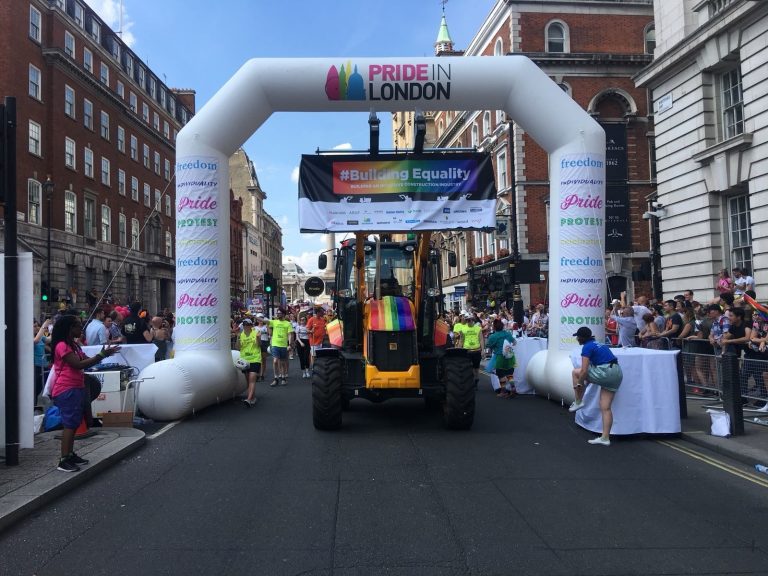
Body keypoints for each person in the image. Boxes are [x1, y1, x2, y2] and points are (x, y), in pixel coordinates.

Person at [50, 315, 120, 472]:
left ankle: (70, 455)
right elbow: (78, 364)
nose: (81, 329)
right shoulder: (62, 346)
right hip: (67, 389)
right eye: (78, 326)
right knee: (70, 424)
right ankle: (63, 460)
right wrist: (101, 355)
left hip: (76, 387)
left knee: (74, 423)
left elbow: (86, 361)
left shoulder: (73, 345)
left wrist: (104, 354)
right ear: (70, 328)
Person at [569, 326, 623, 446]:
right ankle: (605, 438)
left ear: (582, 338)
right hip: (617, 373)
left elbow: (583, 371)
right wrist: (585, 381)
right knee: (605, 407)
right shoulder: (599, 344)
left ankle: (578, 401)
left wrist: (579, 383)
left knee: (575, 373)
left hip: (606, 372)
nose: (577, 339)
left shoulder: (587, 347)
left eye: (578, 337)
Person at [485, 319, 516, 398]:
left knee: (501, 374)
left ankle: (503, 392)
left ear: (494, 327)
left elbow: (488, 345)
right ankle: (513, 389)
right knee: (509, 374)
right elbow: (514, 342)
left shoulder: (493, 336)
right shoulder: (508, 334)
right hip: (510, 356)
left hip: (500, 357)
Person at [237, 318, 261, 407]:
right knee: (248, 380)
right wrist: (238, 338)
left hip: (255, 358)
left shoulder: (255, 332)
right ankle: (253, 398)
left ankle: (249, 399)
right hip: (245, 360)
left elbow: (259, 345)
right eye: (244, 325)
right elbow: (238, 347)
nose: (245, 327)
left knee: (252, 379)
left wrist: (258, 338)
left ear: (251, 326)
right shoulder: (241, 334)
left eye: (247, 325)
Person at [268, 309, 294, 386]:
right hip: (275, 344)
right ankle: (275, 378)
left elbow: (290, 334)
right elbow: (264, 320)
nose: (278, 314)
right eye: (277, 313)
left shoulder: (288, 323)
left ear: (283, 314)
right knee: (275, 361)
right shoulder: (274, 322)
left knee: (283, 362)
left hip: (283, 345)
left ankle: (283, 378)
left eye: (279, 313)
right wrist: (253, 316)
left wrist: (290, 344)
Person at [458, 314, 484, 386]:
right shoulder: (462, 329)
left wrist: (483, 350)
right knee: (468, 368)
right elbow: (461, 340)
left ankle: (476, 379)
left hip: (476, 351)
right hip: (467, 351)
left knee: (476, 368)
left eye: (469, 320)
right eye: (467, 320)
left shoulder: (478, 328)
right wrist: (459, 350)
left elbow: (481, 339)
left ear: (472, 320)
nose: (468, 321)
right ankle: (470, 382)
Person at [33, 318, 52, 402]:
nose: (37, 328)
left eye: (37, 326)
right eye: (34, 326)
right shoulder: (29, 337)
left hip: (43, 366)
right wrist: (44, 326)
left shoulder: (40, 336)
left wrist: (52, 330)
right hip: (35, 366)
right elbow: (36, 340)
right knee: (34, 389)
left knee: (39, 388)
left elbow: (48, 339)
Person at [295, 314, 311, 378]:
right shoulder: (298, 327)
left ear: (306, 320)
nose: (302, 321)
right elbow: (297, 336)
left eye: (303, 319)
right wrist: (301, 343)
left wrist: (310, 331)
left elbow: (311, 333)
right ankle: (303, 372)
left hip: (307, 342)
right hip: (300, 342)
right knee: (301, 358)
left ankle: (307, 371)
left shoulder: (307, 326)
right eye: (301, 320)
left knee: (306, 357)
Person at [255, 314, 269, 381]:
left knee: (263, 359)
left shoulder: (266, 327)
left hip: (264, 342)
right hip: (257, 343)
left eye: (262, 318)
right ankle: (257, 374)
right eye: (259, 318)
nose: (260, 320)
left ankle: (262, 374)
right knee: (258, 359)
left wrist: (268, 325)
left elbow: (269, 333)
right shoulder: (254, 328)